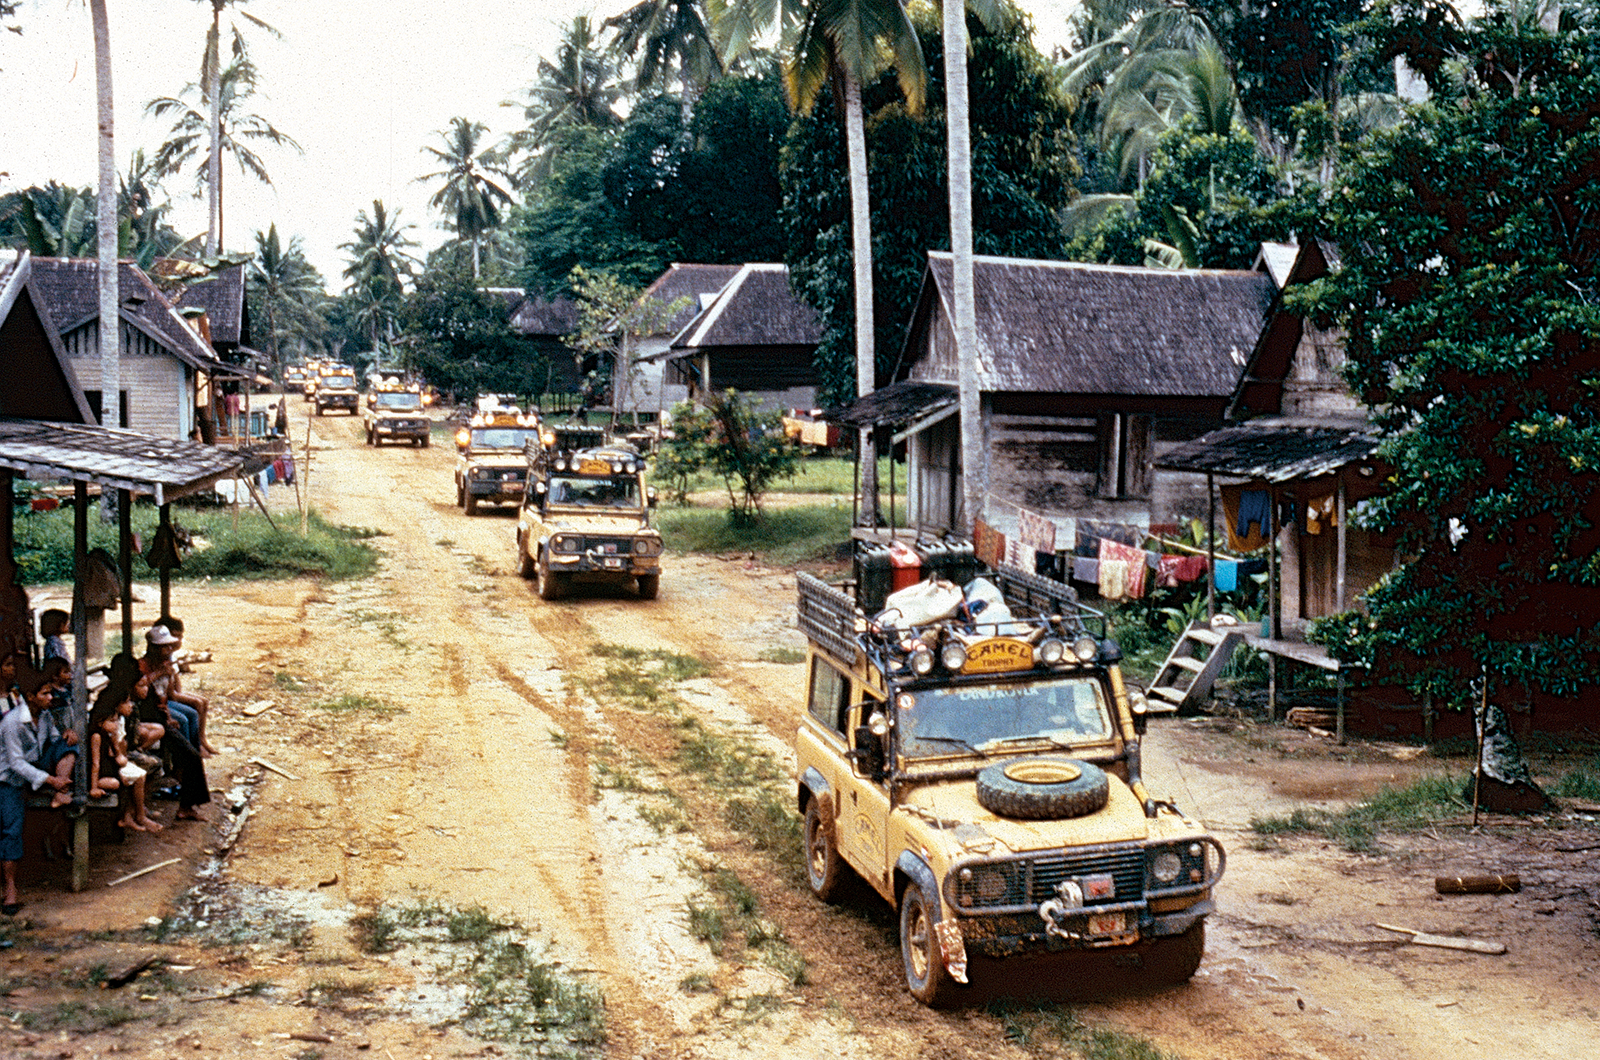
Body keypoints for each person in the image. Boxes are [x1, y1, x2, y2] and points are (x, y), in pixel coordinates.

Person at [1, 665, 77, 914]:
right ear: (30, 697)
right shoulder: (13, 722)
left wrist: (65, 735)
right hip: (10, 779)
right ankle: (10, 890)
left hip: (35, 768)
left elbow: (53, 740)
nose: (50, 698)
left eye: (49, 693)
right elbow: (15, 763)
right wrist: (49, 779)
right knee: (12, 829)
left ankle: (60, 792)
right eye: (44, 694)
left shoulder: (45, 716)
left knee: (69, 747)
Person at [132, 640, 209, 822]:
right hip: (149, 722)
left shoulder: (165, 666)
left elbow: (164, 697)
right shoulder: (142, 668)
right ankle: (186, 806)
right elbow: (144, 693)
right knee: (190, 755)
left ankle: (187, 805)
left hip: (159, 719)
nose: (169, 650)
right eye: (164, 647)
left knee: (191, 755)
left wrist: (167, 716)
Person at [86, 681, 161, 833]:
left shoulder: (111, 729)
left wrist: (115, 743)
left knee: (138, 775)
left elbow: (117, 754)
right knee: (130, 778)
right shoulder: (97, 736)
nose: (115, 724)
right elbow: (96, 764)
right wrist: (94, 787)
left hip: (110, 767)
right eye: (112, 721)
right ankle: (135, 816)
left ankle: (133, 815)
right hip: (100, 773)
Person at [156, 617, 217, 756]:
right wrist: (186, 699)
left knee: (203, 702)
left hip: (170, 696)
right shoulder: (163, 659)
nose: (178, 641)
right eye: (175, 636)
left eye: (180, 637)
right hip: (165, 699)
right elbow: (172, 693)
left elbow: (177, 685)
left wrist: (182, 696)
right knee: (197, 705)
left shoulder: (171, 657)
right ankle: (195, 747)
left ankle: (201, 741)